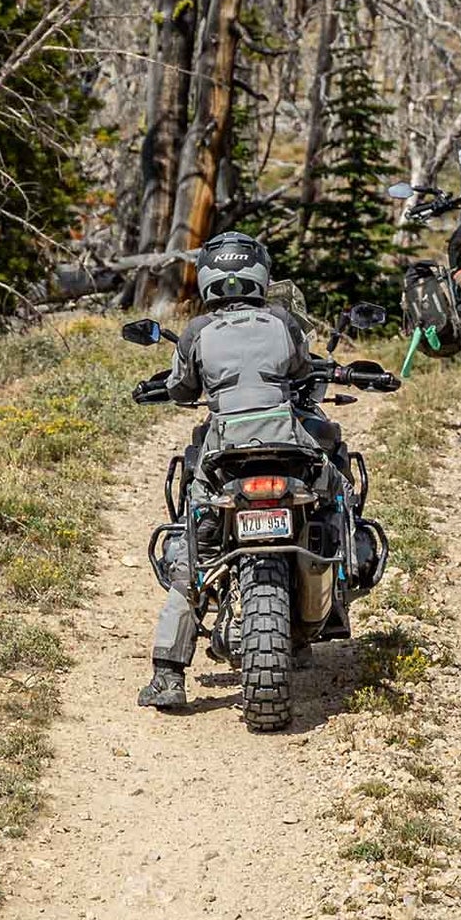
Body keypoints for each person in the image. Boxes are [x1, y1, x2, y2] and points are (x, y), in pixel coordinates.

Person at [138, 230, 347, 711]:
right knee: (336, 494)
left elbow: (182, 387)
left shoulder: (196, 332)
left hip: (224, 455)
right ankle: (339, 579)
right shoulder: (283, 322)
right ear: (260, 275)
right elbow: (302, 371)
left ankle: (169, 674)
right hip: (288, 447)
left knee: (193, 550)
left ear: (209, 278)